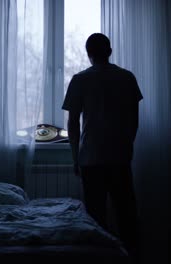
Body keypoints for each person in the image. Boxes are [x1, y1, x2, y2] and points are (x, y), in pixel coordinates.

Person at [62, 33, 143, 256]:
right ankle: (132, 257)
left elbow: (72, 123)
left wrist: (75, 157)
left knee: (96, 219)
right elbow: (134, 120)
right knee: (127, 216)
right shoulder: (127, 78)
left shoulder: (80, 80)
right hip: (119, 157)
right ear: (109, 51)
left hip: (91, 157)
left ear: (89, 55)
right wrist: (127, 146)